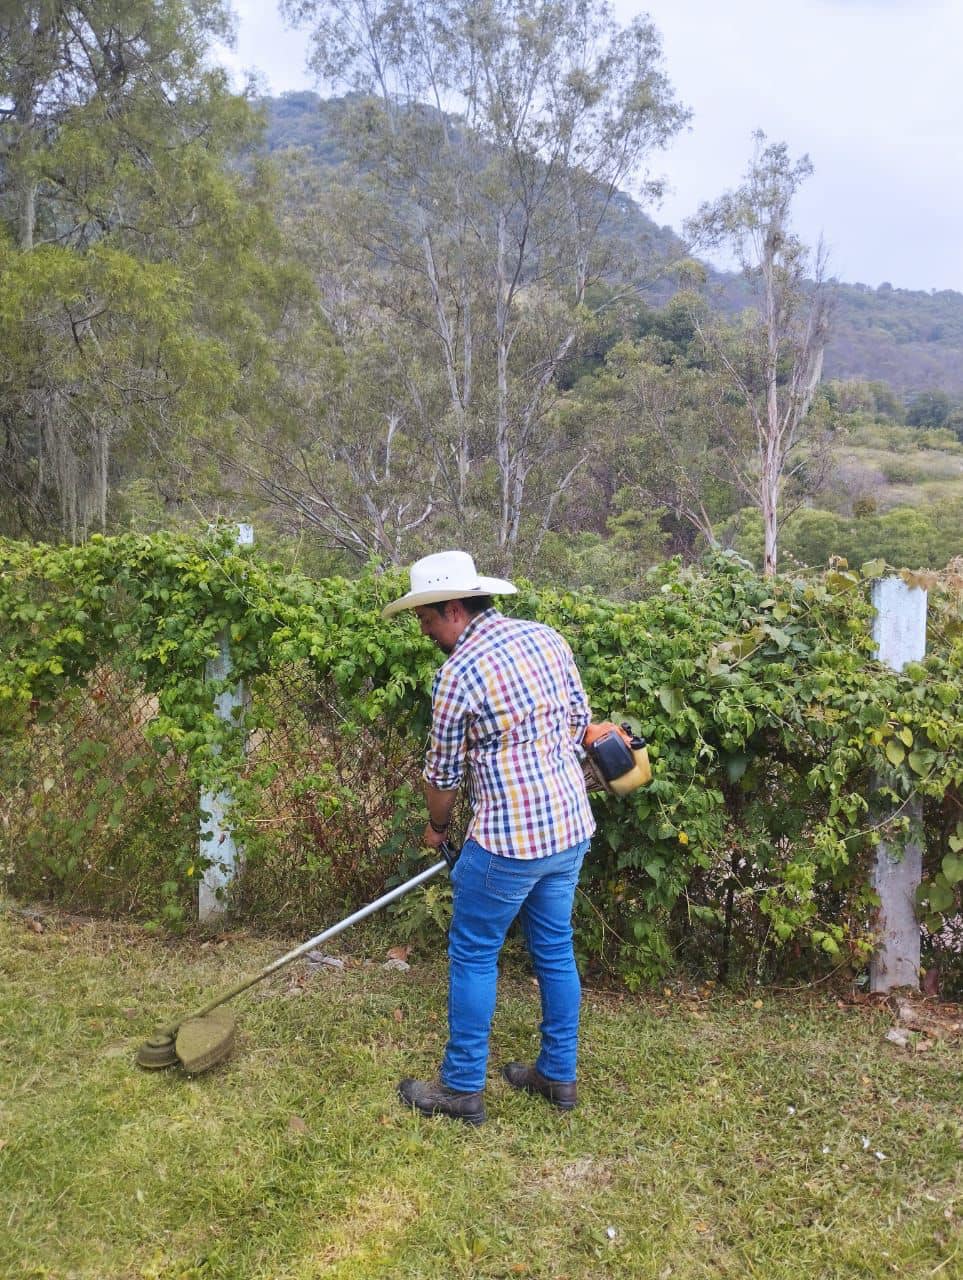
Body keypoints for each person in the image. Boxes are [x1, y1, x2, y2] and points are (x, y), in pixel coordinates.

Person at [382, 549, 596, 1126]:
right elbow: (580, 722)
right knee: (553, 947)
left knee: (474, 952)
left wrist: (437, 827)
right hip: (570, 826)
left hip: (508, 842)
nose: (423, 628)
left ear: (453, 608)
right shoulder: (547, 638)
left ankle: (460, 1088)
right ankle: (557, 1073)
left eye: (425, 616)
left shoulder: (458, 674)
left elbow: (443, 776)